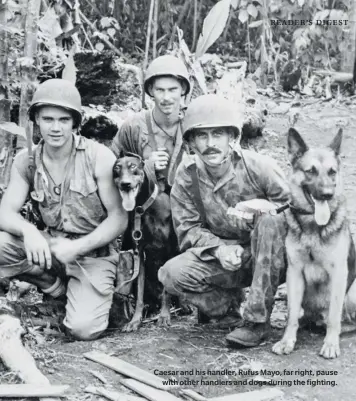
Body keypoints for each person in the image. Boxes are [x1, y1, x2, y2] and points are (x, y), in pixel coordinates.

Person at [0, 79, 128, 341]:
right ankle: (56, 289)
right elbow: (5, 213)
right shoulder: (27, 161)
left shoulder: (99, 157)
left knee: (83, 329)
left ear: (74, 122)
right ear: (36, 119)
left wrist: (79, 247)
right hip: (52, 247)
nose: (55, 128)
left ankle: (90, 296)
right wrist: (29, 231)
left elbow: (118, 218)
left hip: (93, 254)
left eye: (63, 120)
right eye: (48, 119)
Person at [158, 94, 290, 347]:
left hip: (275, 258)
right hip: (229, 260)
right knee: (171, 273)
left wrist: (266, 208)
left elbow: (297, 209)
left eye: (218, 134)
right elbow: (188, 230)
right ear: (191, 142)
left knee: (270, 221)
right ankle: (227, 311)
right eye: (202, 136)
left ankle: (256, 322)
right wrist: (220, 249)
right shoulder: (187, 177)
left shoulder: (259, 167)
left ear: (232, 137)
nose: (210, 144)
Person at [111, 54, 191, 190]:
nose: (166, 97)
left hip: (188, 205)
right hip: (147, 206)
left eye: (172, 90)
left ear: (182, 89)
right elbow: (110, 169)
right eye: (160, 90)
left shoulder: (192, 125)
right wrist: (145, 166)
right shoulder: (133, 126)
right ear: (150, 90)